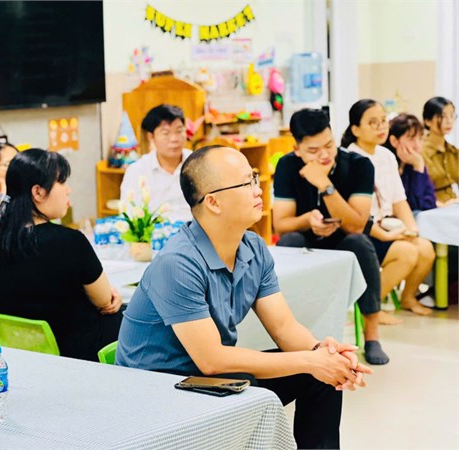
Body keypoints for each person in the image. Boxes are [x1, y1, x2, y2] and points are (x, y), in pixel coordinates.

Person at [116, 145, 372, 449]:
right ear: (213, 202)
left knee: (320, 377)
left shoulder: (253, 247)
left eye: (254, 178)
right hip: (159, 389)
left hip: (207, 378)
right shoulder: (178, 263)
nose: (258, 189)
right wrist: (309, 361)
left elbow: (284, 327)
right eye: (245, 183)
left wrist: (321, 353)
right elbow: (212, 360)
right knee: (279, 376)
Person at [273, 108, 390, 364]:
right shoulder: (287, 165)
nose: (324, 155)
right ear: (297, 149)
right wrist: (307, 220)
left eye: (329, 145)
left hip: (345, 240)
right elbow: (281, 224)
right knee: (289, 242)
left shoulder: (359, 165)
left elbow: (357, 225)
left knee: (360, 243)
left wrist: (324, 186)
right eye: (313, 151)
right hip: (305, 239)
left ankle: (372, 336)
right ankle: (289, 335)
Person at [0, 149, 123, 361]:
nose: (68, 190)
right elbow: (105, 300)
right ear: (38, 192)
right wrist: (110, 295)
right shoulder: (70, 241)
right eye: (62, 182)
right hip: (78, 355)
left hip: (20, 355)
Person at [342, 99, 435, 316]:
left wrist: (412, 229)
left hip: (388, 225)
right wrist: (387, 235)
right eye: (372, 122)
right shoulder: (350, 159)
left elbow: (399, 201)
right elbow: (356, 216)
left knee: (425, 249)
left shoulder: (386, 156)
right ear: (356, 129)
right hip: (365, 231)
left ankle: (408, 297)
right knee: (407, 254)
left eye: (383, 121)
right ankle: (370, 310)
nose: (381, 127)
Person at [120, 104, 192, 222]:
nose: (174, 139)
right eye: (166, 133)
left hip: (194, 232)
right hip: (154, 232)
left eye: (179, 131)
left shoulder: (198, 163)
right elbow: (129, 214)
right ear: (151, 137)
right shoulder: (137, 171)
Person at [383, 114, 437, 213]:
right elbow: (413, 207)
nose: (417, 145)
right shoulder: (385, 165)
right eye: (411, 139)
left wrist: (418, 167)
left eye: (420, 139)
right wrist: (418, 166)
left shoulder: (416, 162)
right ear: (394, 141)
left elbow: (431, 203)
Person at [421, 96, 459, 205]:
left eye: (451, 115)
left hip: (453, 205)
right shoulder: (421, 152)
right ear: (427, 121)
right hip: (432, 207)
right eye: (443, 116)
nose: (449, 121)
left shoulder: (454, 151)